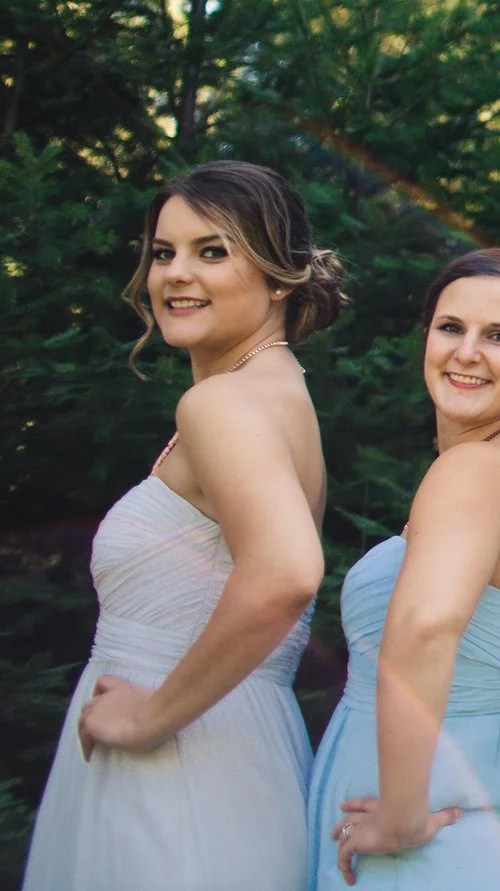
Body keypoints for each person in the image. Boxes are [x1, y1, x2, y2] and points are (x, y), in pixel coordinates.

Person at [24, 162, 338, 891]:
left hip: (178, 767)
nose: (175, 274)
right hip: (237, 751)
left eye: (212, 250)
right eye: (163, 252)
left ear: (280, 276)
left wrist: (148, 719)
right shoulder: (281, 391)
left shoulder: (223, 405)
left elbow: (288, 572)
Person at [314, 250, 500, 888]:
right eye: (451, 327)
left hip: (425, 817)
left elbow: (426, 626)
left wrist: (401, 817)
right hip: (476, 782)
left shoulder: (473, 470)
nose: (466, 352)